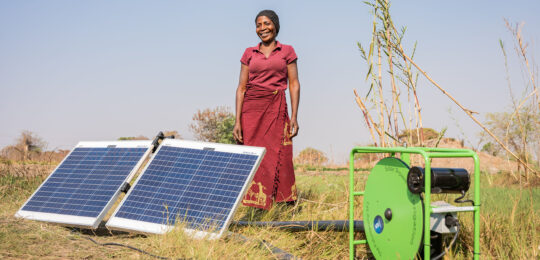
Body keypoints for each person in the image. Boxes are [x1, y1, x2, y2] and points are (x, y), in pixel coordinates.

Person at [233, 10, 300, 210]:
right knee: (254, 156)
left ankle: (285, 204)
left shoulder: (287, 51)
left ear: (275, 25)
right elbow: (241, 88)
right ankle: (256, 205)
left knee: (282, 155)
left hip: (277, 109)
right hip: (251, 111)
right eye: (259, 25)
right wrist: (237, 121)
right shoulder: (249, 53)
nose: (263, 28)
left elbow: (294, 84)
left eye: (267, 23)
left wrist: (294, 116)